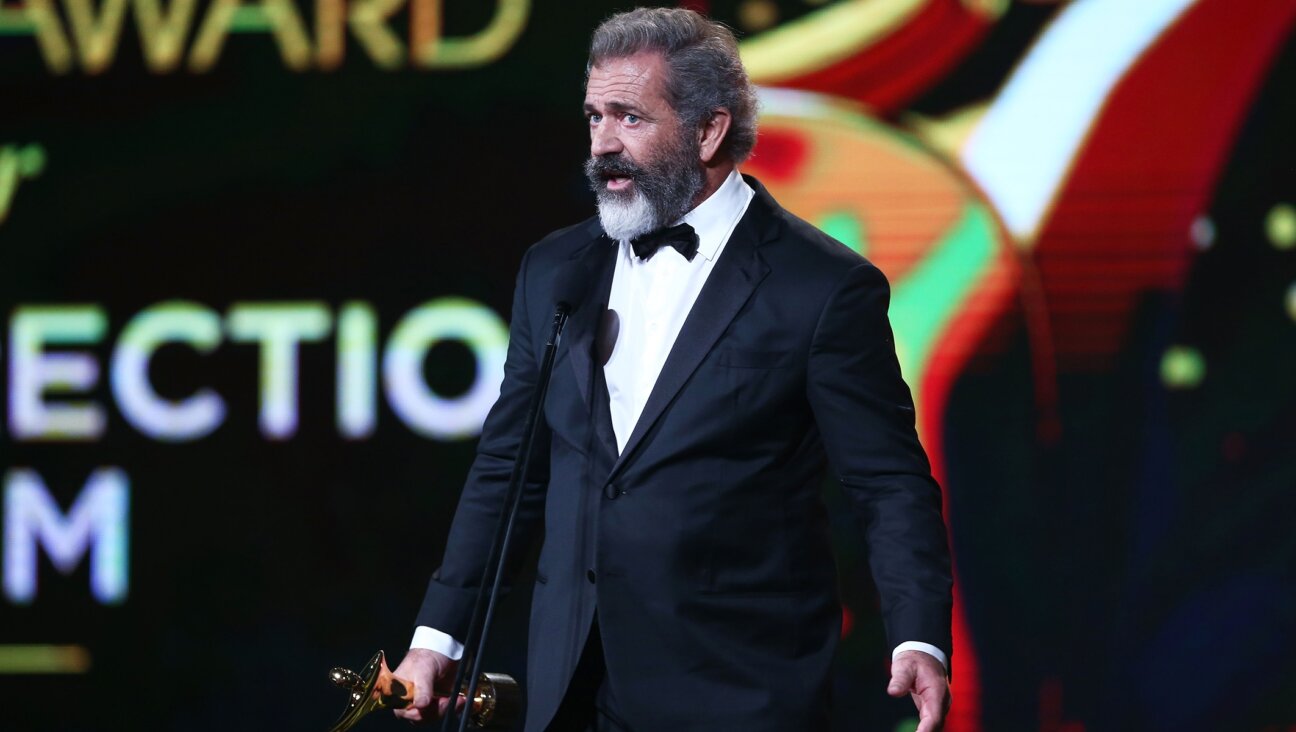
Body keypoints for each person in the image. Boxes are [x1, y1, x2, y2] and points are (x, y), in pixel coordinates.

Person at [393, 8, 952, 731]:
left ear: (709, 130)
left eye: (629, 117)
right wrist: (440, 636)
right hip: (573, 686)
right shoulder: (556, 271)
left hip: (736, 688)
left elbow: (888, 483)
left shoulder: (819, 288)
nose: (602, 145)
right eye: (594, 117)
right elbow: (508, 468)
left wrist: (918, 634)